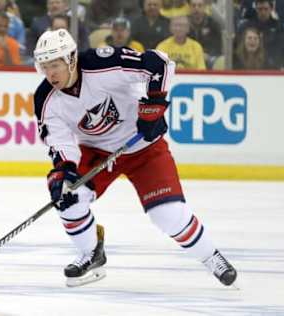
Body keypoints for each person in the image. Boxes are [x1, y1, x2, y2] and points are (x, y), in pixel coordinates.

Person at [33, 28, 238, 287]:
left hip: (143, 147)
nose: (50, 73)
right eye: (45, 66)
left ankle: (211, 257)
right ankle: (90, 253)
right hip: (97, 153)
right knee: (69, 198)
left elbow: (158, 63)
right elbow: (59, 140)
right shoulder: (45, 98)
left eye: (55, 65)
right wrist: (65, 169)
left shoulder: (103, 63)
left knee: (168, 214)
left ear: (71, 59)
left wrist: (155, 103)